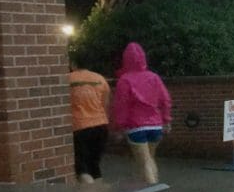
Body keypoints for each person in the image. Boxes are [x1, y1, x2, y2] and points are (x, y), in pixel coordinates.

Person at [113, 42, 172, 184]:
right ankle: (151, 187)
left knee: (144, 161)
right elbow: (165, 100)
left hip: (136, 126)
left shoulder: (125, 80)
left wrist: (120, 127)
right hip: (156, 125)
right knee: (150, 158)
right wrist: (167, 120)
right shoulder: (154, 77)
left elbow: (121, 105)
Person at [69, 59, 111, 184]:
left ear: (73, 64)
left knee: (82, 168)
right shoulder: (100, 79)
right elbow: (105, 104)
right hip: (101, 126)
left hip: (79, 126)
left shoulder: (68, 79)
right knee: (94, 165)